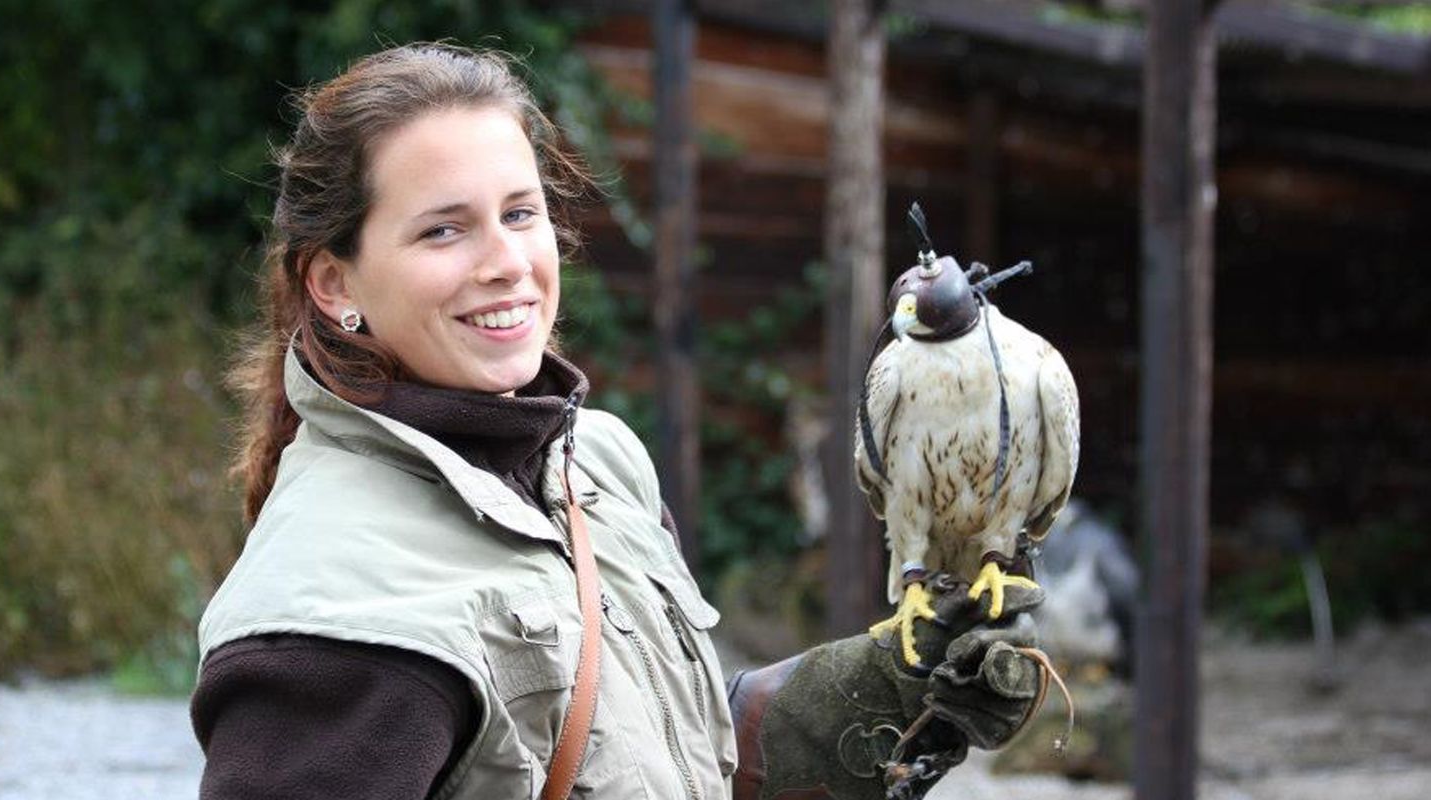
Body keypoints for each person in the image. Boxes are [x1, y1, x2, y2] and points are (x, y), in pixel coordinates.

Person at [191, 43, 1045, 800]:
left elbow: (684, 764)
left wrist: (895, 689)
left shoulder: (593, 466)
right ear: (334, 284)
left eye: (519, 214)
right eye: (443, 230)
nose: (506, 263)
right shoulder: (335, 614)